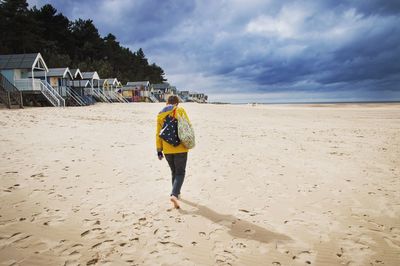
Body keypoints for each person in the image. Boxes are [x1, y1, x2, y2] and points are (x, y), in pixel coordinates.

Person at [156, 95, 191, 209]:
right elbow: (187, 126)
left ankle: (176, 192)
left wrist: (159, 150)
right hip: (180, 147)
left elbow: (158, 134)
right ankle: (174, 194)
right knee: (180, 173)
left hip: (167, 149)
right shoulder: (180, 110)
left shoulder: (160, 114)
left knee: (174, 171)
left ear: (167, 103)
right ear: (177, 103)